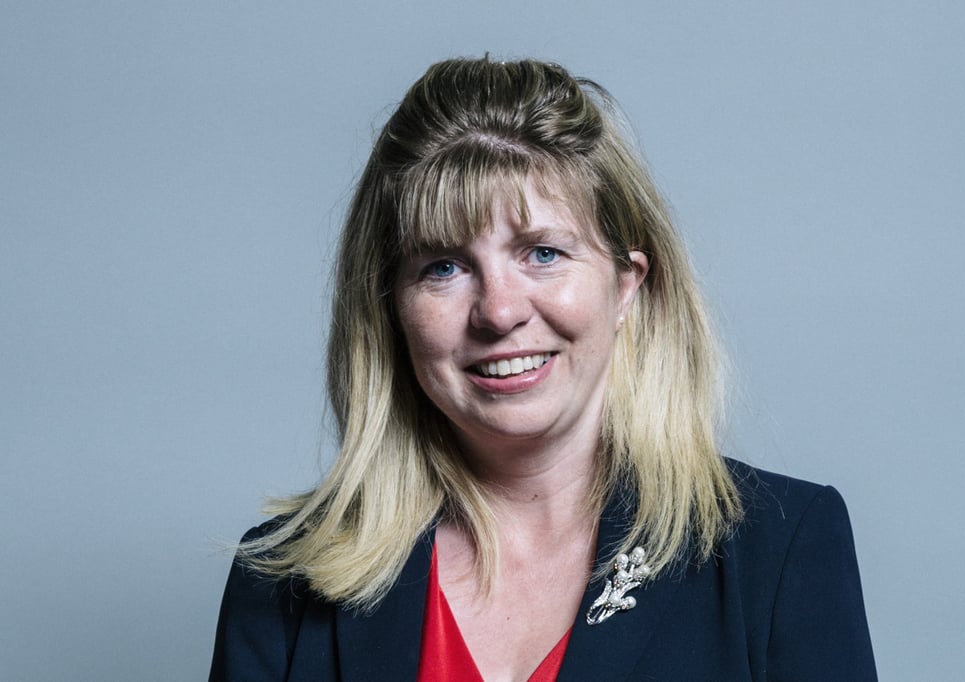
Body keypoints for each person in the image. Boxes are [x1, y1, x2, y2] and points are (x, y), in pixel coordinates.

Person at [210, 57, 876, 681]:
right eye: (444, 267)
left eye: (543, 254)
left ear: (625, 285)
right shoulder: (283, 582)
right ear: (390, 309)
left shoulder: (781, 549)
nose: (499, 312)